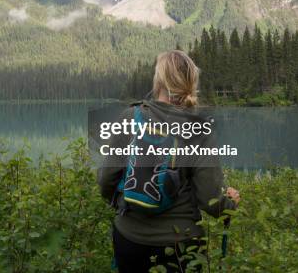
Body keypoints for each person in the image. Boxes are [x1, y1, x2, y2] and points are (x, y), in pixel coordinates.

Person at [97, 50, 240, 273]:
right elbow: (209, 199)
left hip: (129, 239)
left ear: (159, 80)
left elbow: (106, 179)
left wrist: (123, 206)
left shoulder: (129, 117)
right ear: (191, 83)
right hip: (181, 245)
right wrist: (230, 205)